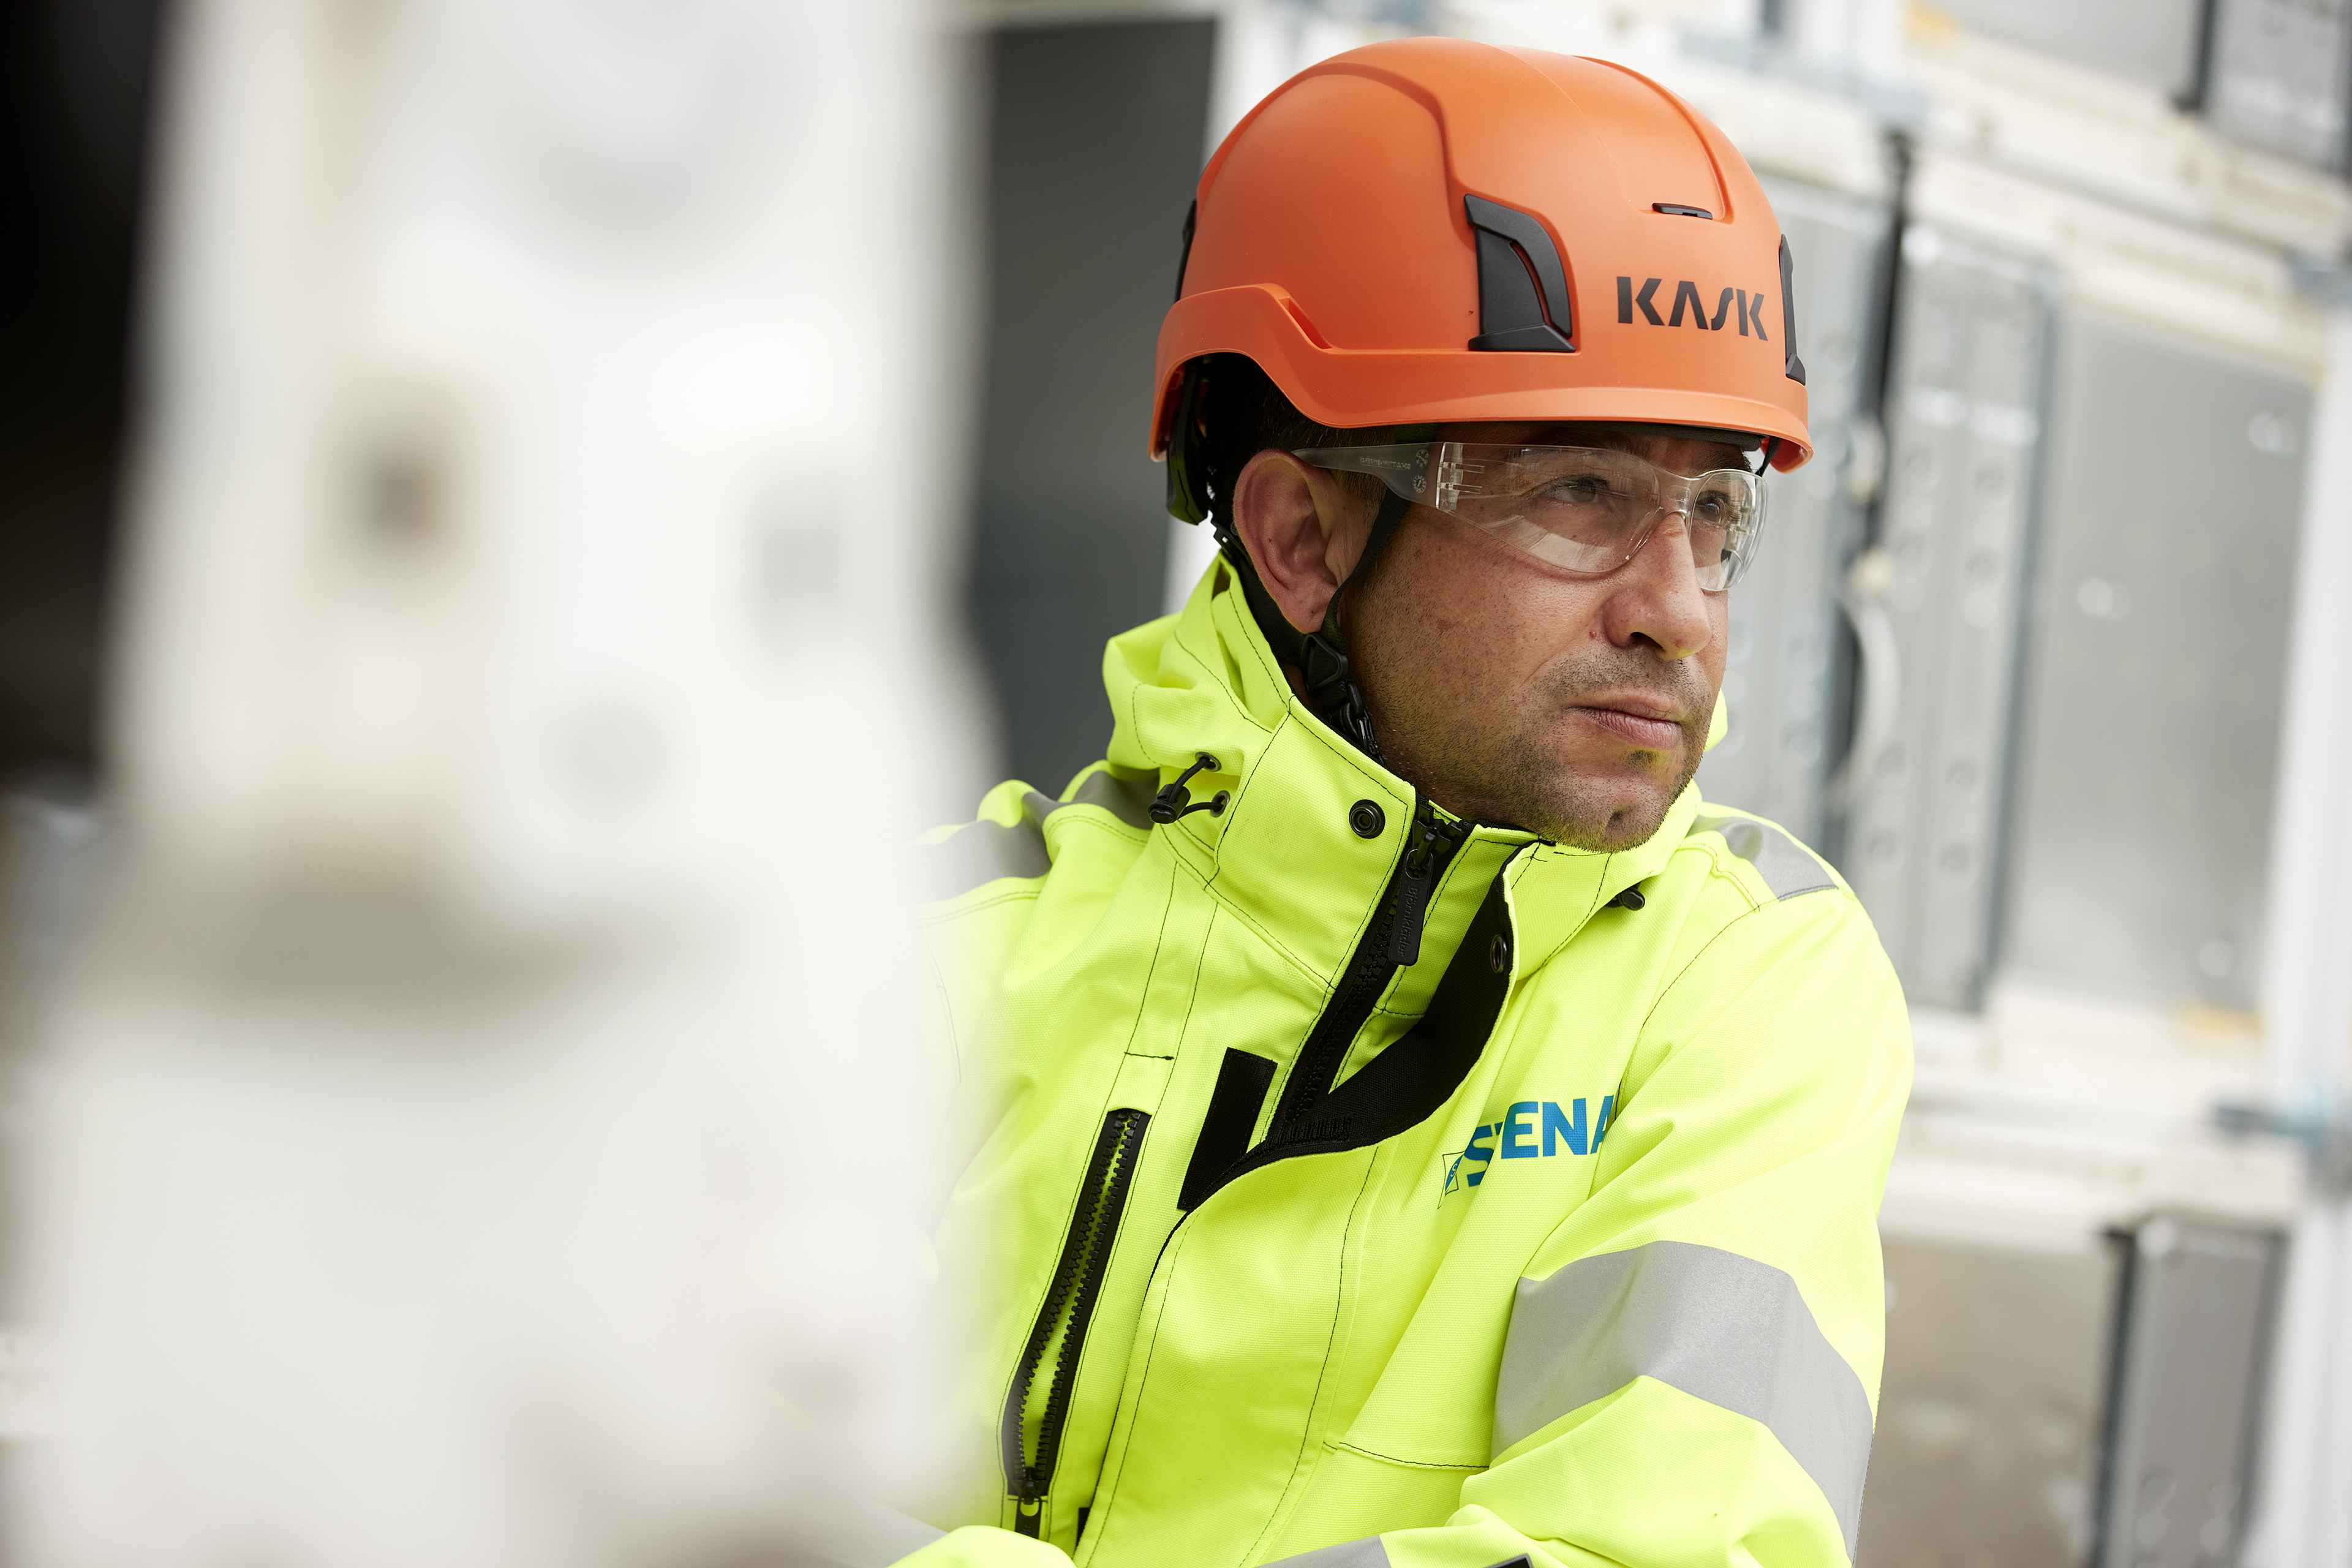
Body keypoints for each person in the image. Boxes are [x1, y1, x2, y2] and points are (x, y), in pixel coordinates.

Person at [899, 36, 1911, 1568]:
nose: (1681, 611)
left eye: (1714, 513)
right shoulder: (926, 943)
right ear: (1302, 535)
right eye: (1581, 494)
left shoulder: (1744, 983)